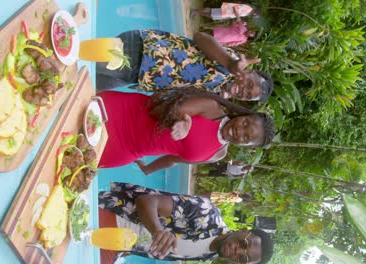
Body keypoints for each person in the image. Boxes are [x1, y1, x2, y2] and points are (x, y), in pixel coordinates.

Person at [97, 87, 275, 173]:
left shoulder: (218, 154)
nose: (239, 130)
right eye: (245, 123)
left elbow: (173, 159)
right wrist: (184, 122)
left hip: (126, 151)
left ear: (247, 146)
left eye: (246, 137)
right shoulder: (212, 108)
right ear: (244, 114)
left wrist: (148, 169)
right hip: (122, 113)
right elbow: (172, 108)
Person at [98, 182, 274, 263]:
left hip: (116, 245)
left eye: (243, 258)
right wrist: (157, 230)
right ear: (243, 229)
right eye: (244, 243)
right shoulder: (207, 214)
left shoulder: (208, 256)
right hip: (111, 216)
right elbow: (147, 201)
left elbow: (154, 250)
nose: (238, 251)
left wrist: (123, 252)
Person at [96, 29, 274, 103]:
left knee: (86, 82)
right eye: (249, 85)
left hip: (136, 77)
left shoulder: (218, 91)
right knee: (82, 60)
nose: (244, 91)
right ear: (248, 72)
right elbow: (200, 37)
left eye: (247, 96)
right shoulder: (228, 64)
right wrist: (229, 62)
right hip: (139, 53)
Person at [192, 2, 260, 21]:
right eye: (256, 16)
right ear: (255, 13)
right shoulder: (248, 8)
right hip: (226, 10)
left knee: (211, 15)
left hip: (227, 14)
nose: (255, 17)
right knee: (210, 11)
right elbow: (236, 7)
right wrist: (238, 17)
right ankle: (195, 11)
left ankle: (197, 12)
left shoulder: (248, 13)